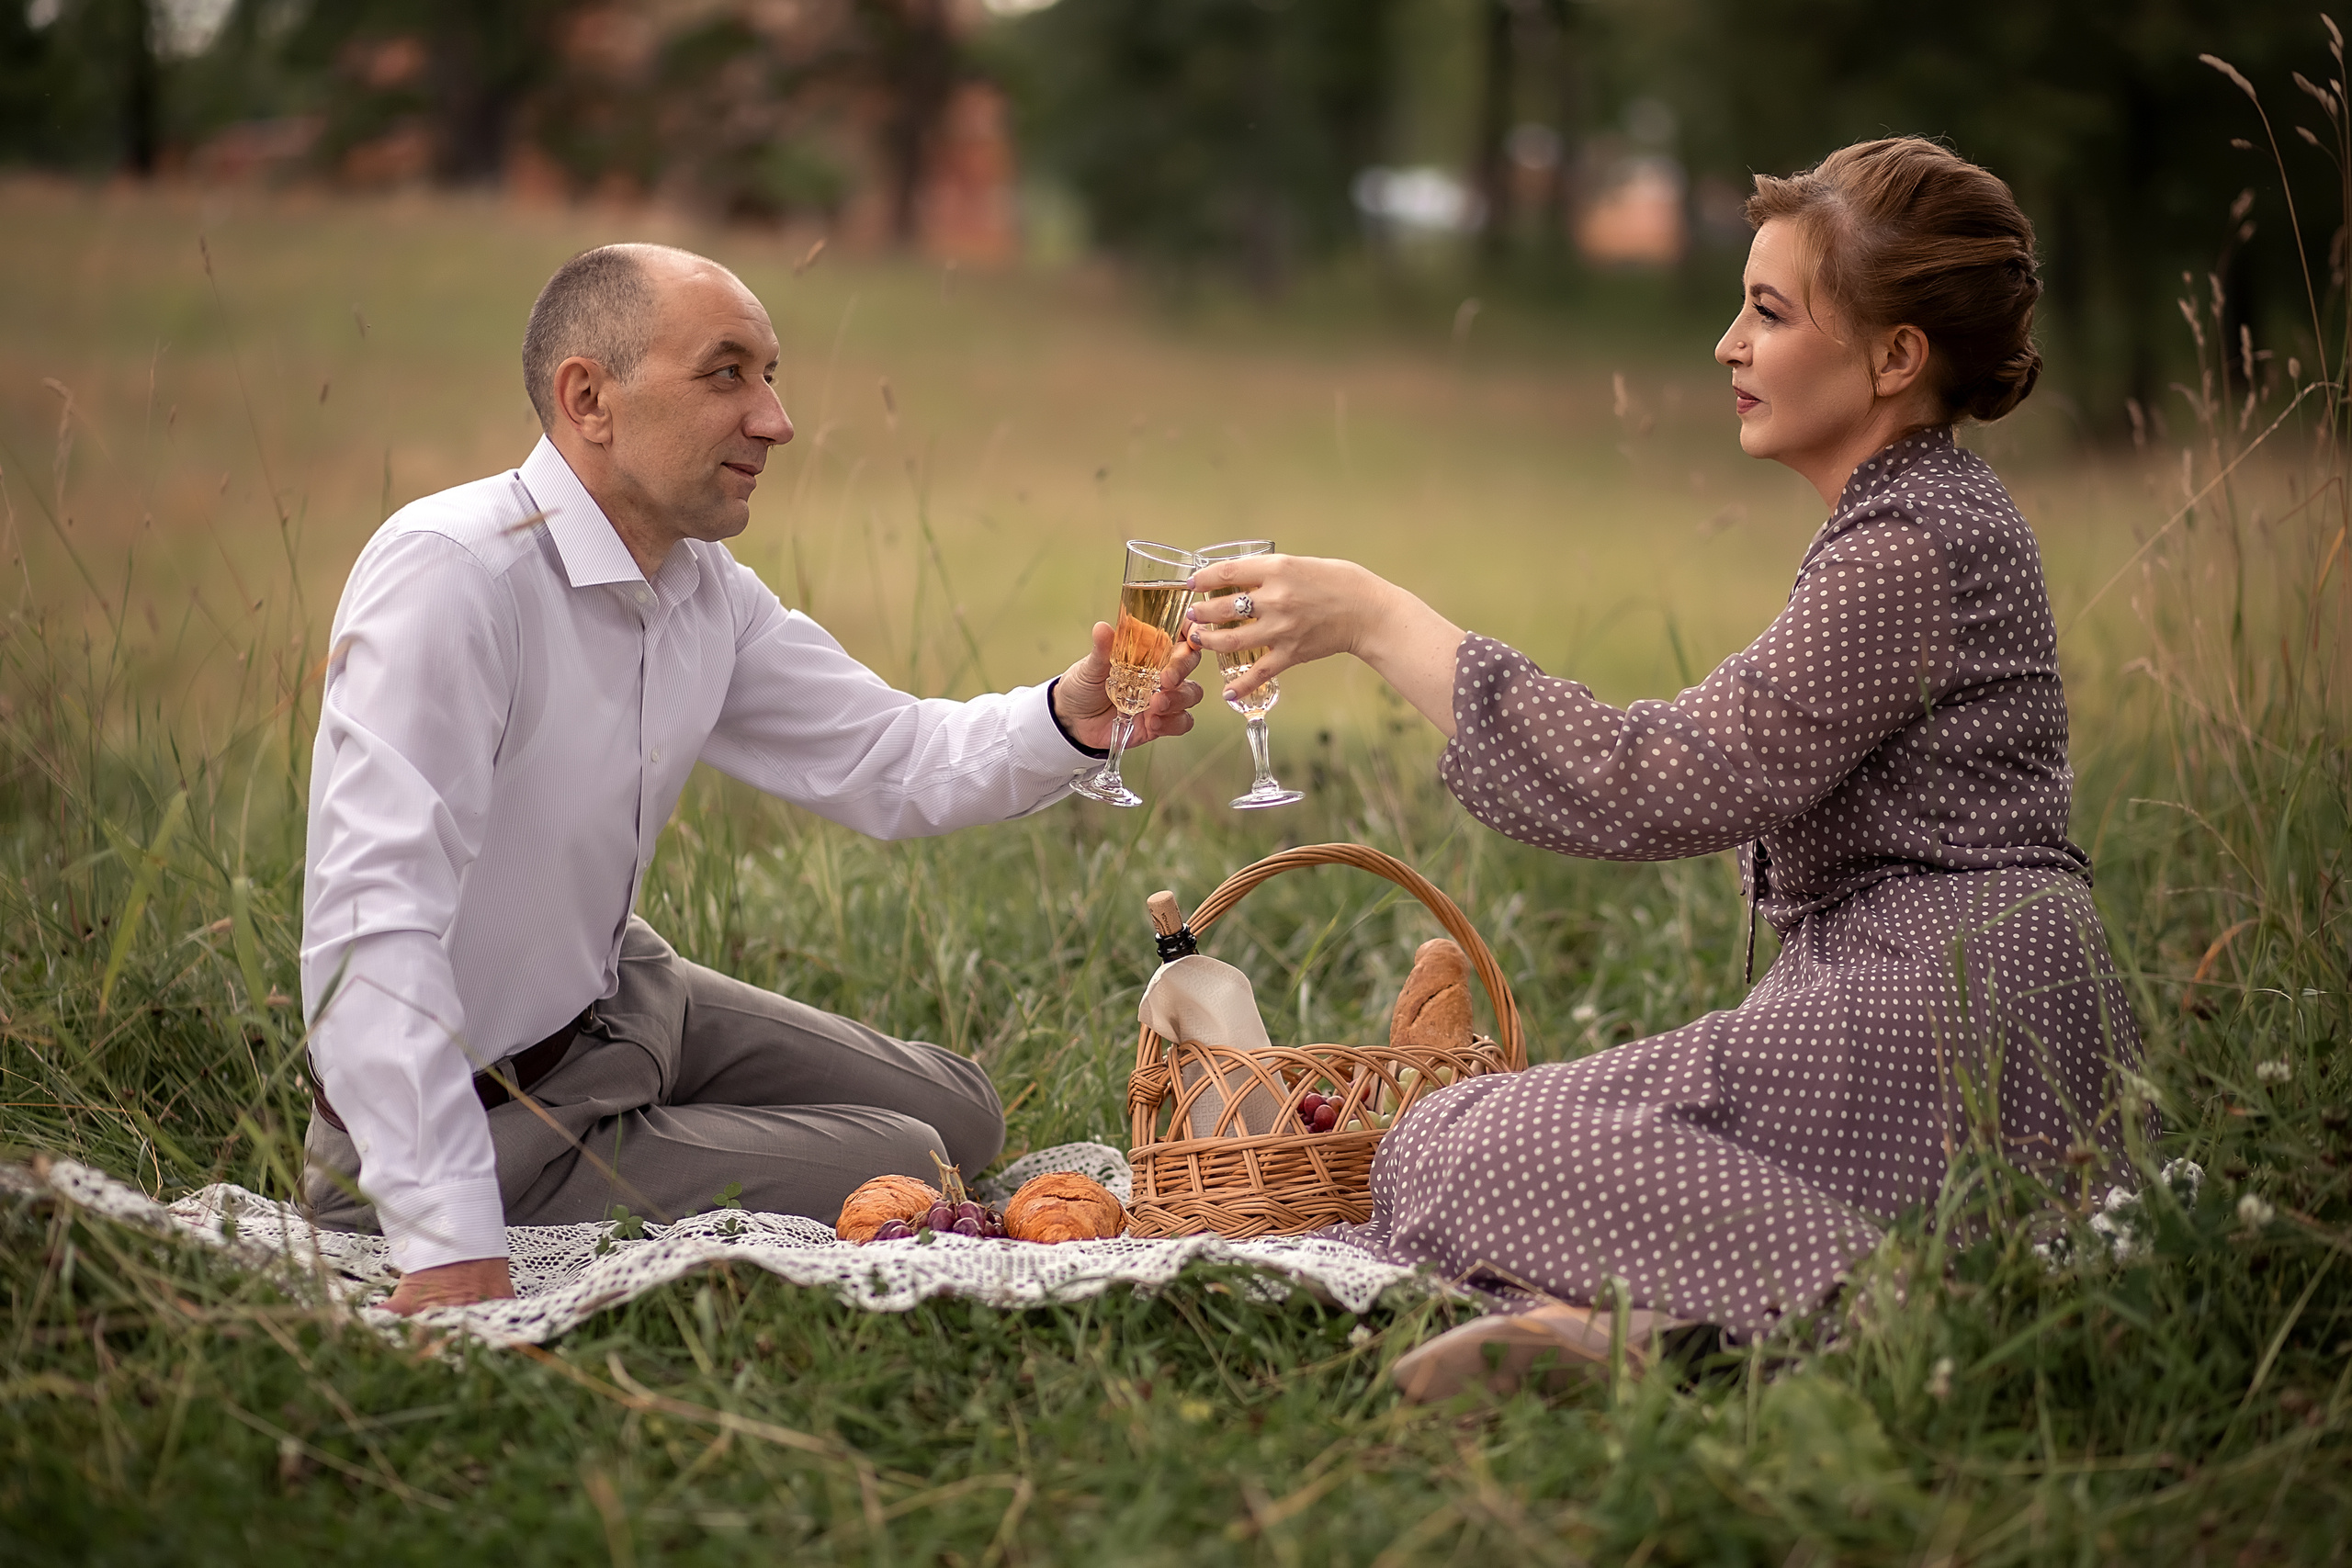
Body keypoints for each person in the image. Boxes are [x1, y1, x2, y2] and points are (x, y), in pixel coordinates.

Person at [1187, 138, 2145, 1397]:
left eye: (1768, 310)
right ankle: (1676, 1339)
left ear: (1895, 357)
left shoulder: (1908, 546)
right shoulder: (1924, 522)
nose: (1727, 344)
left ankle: (1888, 1321)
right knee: (1463, 1137)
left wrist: (1377, 616)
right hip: (1956, 1001)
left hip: (1955, 1012)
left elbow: (1662, 776)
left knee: (1453, 1149)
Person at [301, 243, 1202, 1315]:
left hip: (620, 1001)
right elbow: (372, 924)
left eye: (771, 376)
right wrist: (443, 1236)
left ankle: (673, 1109)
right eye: (727, 373)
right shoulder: (453, 577)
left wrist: (1070, 715)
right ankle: (535, 1168)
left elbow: (888, 755)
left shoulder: (698, 586)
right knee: (910, 1159)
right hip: (501, 1112)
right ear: (589, 398)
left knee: (963, 1113)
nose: (774, 419)